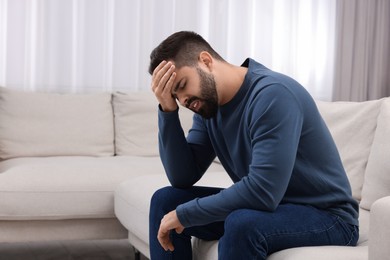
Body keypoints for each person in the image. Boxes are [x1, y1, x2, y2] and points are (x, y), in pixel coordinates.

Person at [148, 31, 359, 260]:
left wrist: (185, 214)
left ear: (206, 61)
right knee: (165, 202)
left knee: (242, 224)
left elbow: (262, 191)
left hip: (328, 217)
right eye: (176, 96)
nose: (184, 100)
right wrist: (168, 111)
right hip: (271, 210)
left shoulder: (272, 95)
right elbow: (182, 177)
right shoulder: (208, 107)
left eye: (181, 85)